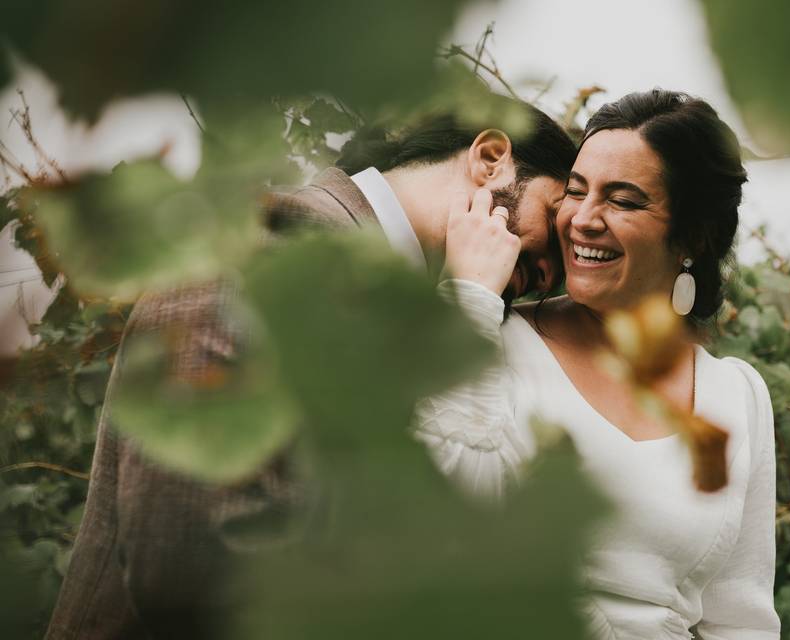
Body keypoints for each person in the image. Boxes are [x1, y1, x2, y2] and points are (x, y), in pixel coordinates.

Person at [45, 98, 578, 639]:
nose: (547, 273)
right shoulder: (272, 244)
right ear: (490, 158)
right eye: (553, 218)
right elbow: (187, 551)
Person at [417, 89, 781, 639]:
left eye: (624, 200)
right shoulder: (488, 336)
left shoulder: (738, 395)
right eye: (576, 191)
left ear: (692, 234)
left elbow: (741, 620)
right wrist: (465, 298)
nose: (583, 220)